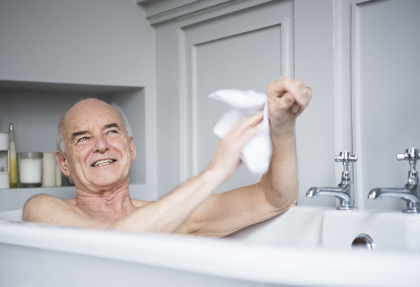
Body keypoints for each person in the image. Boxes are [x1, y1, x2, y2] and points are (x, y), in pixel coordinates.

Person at [22, 78, 312, 237]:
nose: (100, 146)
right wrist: (215, 172)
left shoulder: (176, 216)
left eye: (111, 132)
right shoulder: (41, 209)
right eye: (83, 138)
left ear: (131, 149)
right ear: (63, 163)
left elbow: (276, 199)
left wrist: (282, 127)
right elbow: (110, 243)